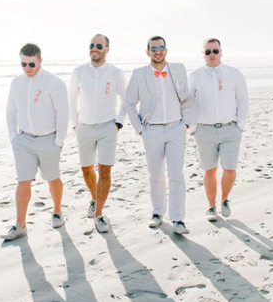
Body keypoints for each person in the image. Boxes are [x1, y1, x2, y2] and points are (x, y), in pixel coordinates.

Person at [125, 36, 195, 235]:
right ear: (147, 51)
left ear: (166, 50)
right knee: (155, 175)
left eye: (161, 47)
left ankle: (178, 219)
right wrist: (140, 129)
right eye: (153, 48)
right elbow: (129, 103)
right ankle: (157, 213)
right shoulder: (139, 74)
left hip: (176, 129)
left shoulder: (178, 69)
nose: (158, 51)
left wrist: (186, 122)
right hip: (151, 130)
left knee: (176, 174)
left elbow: (187, 97)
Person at [1, 43, 69, 241]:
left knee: (52, 178)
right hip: (23, 140)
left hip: (49, 140)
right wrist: (13, 137)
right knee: (23, 182)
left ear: (40, 60)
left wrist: (59, 140)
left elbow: (62, 113)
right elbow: (11, 110)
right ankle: (20, 225)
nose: (27, 68)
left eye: (31, 64)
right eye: (23, 64)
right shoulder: (16, 83)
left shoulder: (54, 82)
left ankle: (57, 211)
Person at [69, 34, 127, 233]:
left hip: (107, 128)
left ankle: (99, 214)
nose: (94, 48)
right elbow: (72, 99)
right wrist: (75, 124)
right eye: (92, 45)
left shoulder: (116, 73)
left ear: (107, 49)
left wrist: (118, 123)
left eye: (99, 46)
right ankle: (94, 198)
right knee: (86, 170)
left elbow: (125, 99)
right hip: (84, 128)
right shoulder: (78, 72)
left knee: (104, 171)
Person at [189, 38, 248, 221]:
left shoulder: (234, 73)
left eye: (215, 51)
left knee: (229, 169)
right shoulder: (195, 75)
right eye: (208, 52)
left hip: (230, 129)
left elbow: (243, 100)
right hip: (204, 130)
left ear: (221, 52)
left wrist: (240, 125)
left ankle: (224, 200)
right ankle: (211, 207)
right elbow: (189, 103)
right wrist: (193, 128)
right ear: (203, 54)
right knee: (209, 170)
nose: (211, 55)